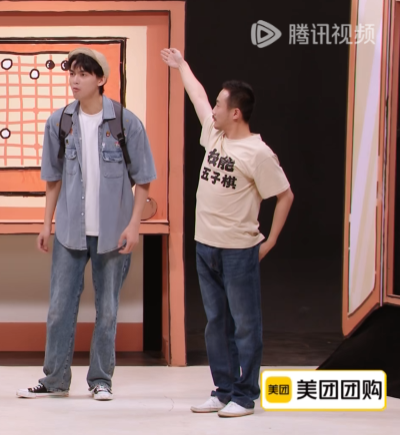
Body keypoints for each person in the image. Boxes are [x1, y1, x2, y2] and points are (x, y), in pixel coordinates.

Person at [160, 48, 294, 417]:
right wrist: (182, 65)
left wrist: (270, 240)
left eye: (221, 105)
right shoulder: (214, 135)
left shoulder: (258, 153)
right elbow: (198, 97)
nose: (214, 110)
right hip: (205, 246)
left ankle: (245, 395)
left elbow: (285, 195)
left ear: (236, 113)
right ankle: (223, 390)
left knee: (245, 325)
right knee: (216, 323)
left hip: (238, 250)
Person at [17, 47, 157, 401]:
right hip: (69, 232)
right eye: (72, 73)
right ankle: (54, 380)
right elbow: (53, 179)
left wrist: (134, 226)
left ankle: (101, 380)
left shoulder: (125, 122)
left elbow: (144, 179)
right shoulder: (59, 122)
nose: (74, 80)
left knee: (107, 310)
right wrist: (46, 224)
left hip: (113, 233)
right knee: (59, 309)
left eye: (82, 74)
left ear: (101, 79)